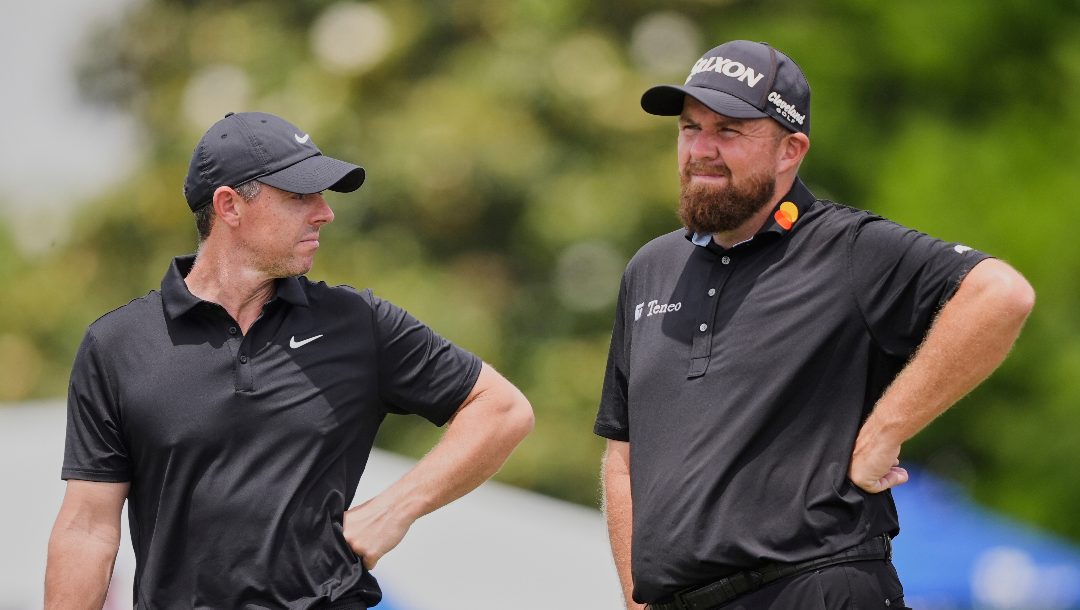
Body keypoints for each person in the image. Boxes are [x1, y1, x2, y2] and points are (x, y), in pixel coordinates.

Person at [595, 40, 1034, 610]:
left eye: (729, 131)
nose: (701, 149)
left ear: (790, 150)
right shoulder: (651, 269)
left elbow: (999, 294)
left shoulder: (848, 248)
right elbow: (625, 458)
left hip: (817, 587)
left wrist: (885, 432)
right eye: (690, 128)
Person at [45, 111, 534, 609]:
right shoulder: (116, 345)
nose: (325, 213)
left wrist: (394, 510)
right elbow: (87, 528)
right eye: (300, 196)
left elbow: (501, 409)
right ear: (229, 206)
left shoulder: (359, 322)